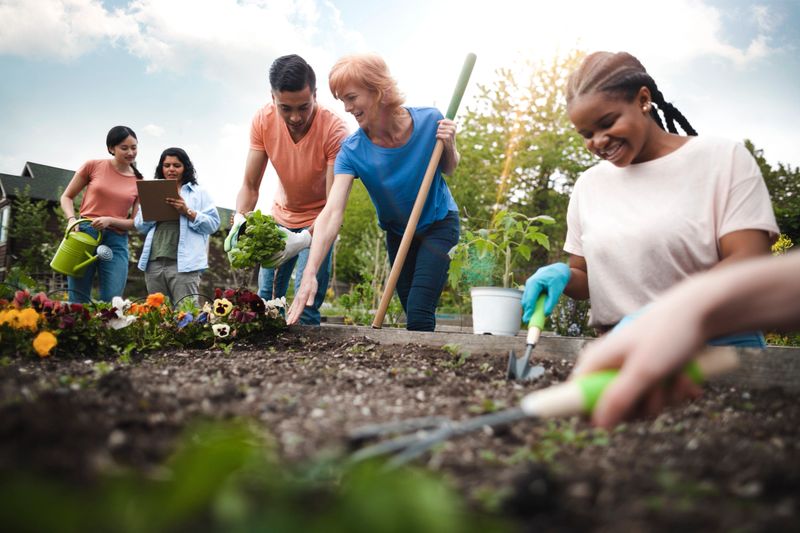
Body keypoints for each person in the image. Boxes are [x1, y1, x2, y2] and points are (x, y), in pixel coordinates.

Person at [521, 51, 779, 345]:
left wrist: (666, 314)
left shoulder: (722, 159)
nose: (597, 142)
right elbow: (587, 277)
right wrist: (565, 276)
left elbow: (750, 259)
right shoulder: (589, 185)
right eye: (586, 133)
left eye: (607, 123)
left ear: (643, 100)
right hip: (619, 354)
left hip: (715, 348)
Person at [287, 54, 461, 331]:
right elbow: (332, 212)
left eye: (351, 97)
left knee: (418, 310)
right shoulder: (352, 151)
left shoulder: (430, 121)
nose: (346, 108)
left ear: (378, 90)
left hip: (439, 223)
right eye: (342, 100)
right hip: (398, 232)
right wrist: (309, 272)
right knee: (409, 306)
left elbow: (449, 168)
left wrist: (449, 144)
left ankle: (424, 372)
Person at [572, 251, 800, 428]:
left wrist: (696, 304)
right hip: (632, 347)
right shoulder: (585, 190)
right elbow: (582, 273)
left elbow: (752, 254)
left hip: (718, 343)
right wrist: (567, 275)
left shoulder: (724, 187)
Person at [226, 54, 349, 325]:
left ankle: (309, 365)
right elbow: (249, 185)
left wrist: (305, 238)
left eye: (304, 107)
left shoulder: (334, 130)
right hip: (280, 219)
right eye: (285, 108)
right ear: (272, 98)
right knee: (267, 302)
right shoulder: (263, 120)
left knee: (306, 302)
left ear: (315, 94)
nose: (295, 117)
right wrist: (241, 219)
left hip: (318, 222)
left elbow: (333, 205)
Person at [60, 125, 143, 303]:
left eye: (134, 147)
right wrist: (71, 220)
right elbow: (66, 197)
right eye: (124, 148)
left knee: (112, 302)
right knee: (78, 298)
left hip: (117, 241)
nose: (130, 152)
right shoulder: (93, 166)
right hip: (85, 234)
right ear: (111, 148)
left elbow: (135, 222)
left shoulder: (139, 181)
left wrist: (110, 220)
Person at [134, 147, 220, 306]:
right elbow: (139, 225)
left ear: (185, 167)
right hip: (154, 263)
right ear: (161, 168)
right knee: (158, 315)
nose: (171, 169)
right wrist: (154, 210)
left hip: (185, 265)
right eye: (167, 165)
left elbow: (213, 224)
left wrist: (186, 211)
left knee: (186, 315)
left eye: (176, 165)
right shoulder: (153, 191)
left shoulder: (199, 193)